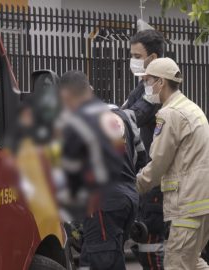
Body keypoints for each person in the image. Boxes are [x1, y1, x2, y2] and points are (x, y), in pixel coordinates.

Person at [59, 71, 141, 270]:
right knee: (96, 257)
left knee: (102, 260)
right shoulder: (121, 114)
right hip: (127, 197)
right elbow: (141, 156)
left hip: (104, 201)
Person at [137, 57, 209, 270]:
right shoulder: (190, 107)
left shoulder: (169, 114)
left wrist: (136, 185)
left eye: (148, 80)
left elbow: (158, 163)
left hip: (187, 203)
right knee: (192, 261)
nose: (145, 86)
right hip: (201, 203)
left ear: (161, 82)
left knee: (176, 264)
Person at [122, 29, 165, 269]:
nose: (133, 60)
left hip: (156, 180)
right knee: (141, 243)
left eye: (137, 55)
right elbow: (125, 110)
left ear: (154, 58)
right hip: (143, 178)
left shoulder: (157, 89)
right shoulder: (142, 86)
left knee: (151, 246)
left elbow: (134, 116)